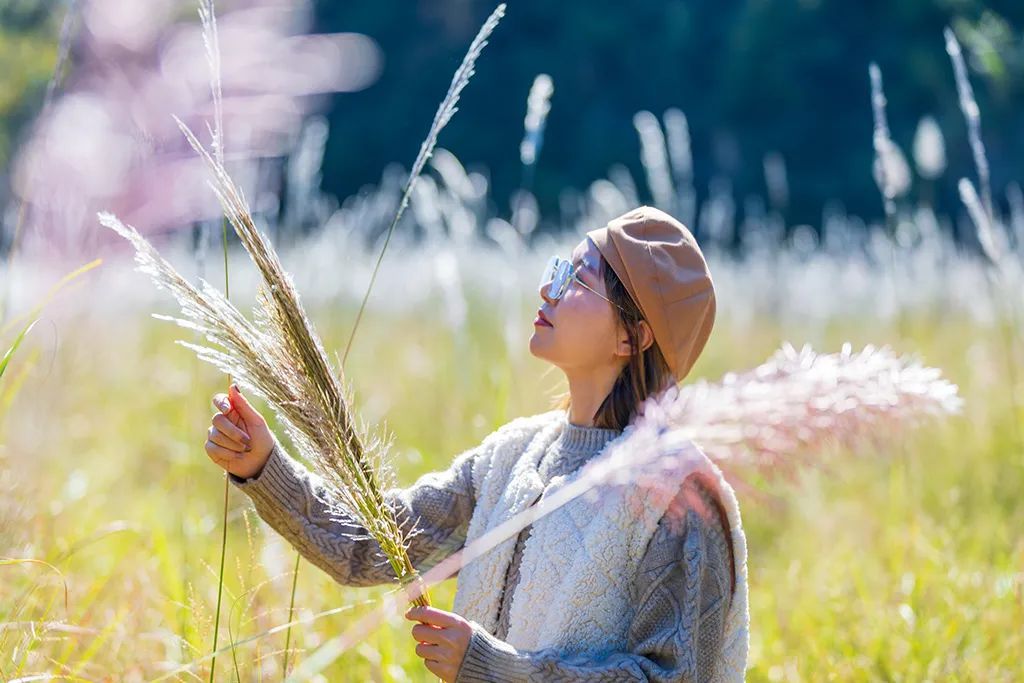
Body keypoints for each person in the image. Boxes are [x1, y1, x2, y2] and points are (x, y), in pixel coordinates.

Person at [203, 205, 749, 681]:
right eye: (558, 269)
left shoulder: (678, 495)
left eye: (576, 279)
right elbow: (371, 547)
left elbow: (670, 679)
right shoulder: (510, 458)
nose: (547, 289)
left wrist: (494, 669)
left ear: (633, 336)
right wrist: (264, 466)